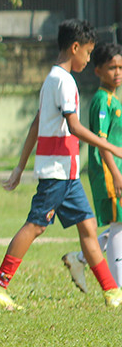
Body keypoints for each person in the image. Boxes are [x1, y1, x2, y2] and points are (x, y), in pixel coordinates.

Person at [0, 19, 122, 310]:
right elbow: (73, 126)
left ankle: (112, 291)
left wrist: (20, 167)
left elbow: (37, 123)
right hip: (56, 173)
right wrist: (110, 146)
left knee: (87, 228)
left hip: (68, 173)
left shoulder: (52, 80)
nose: (88, 59)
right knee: (36, 226)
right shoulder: (63, 81)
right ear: (74, 48)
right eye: (87, 53)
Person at [61, 42, 122, 291]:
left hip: (116, 169)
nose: (117, 72)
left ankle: (80, 258)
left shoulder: (113, 98)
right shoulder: (101, 101)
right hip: (109, 171)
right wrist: (116, 174)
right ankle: (117, 287)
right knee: (118, 224)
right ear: (97, 71)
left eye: (120, 67)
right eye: (111, 68)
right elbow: (102, 142)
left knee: (119, 224)